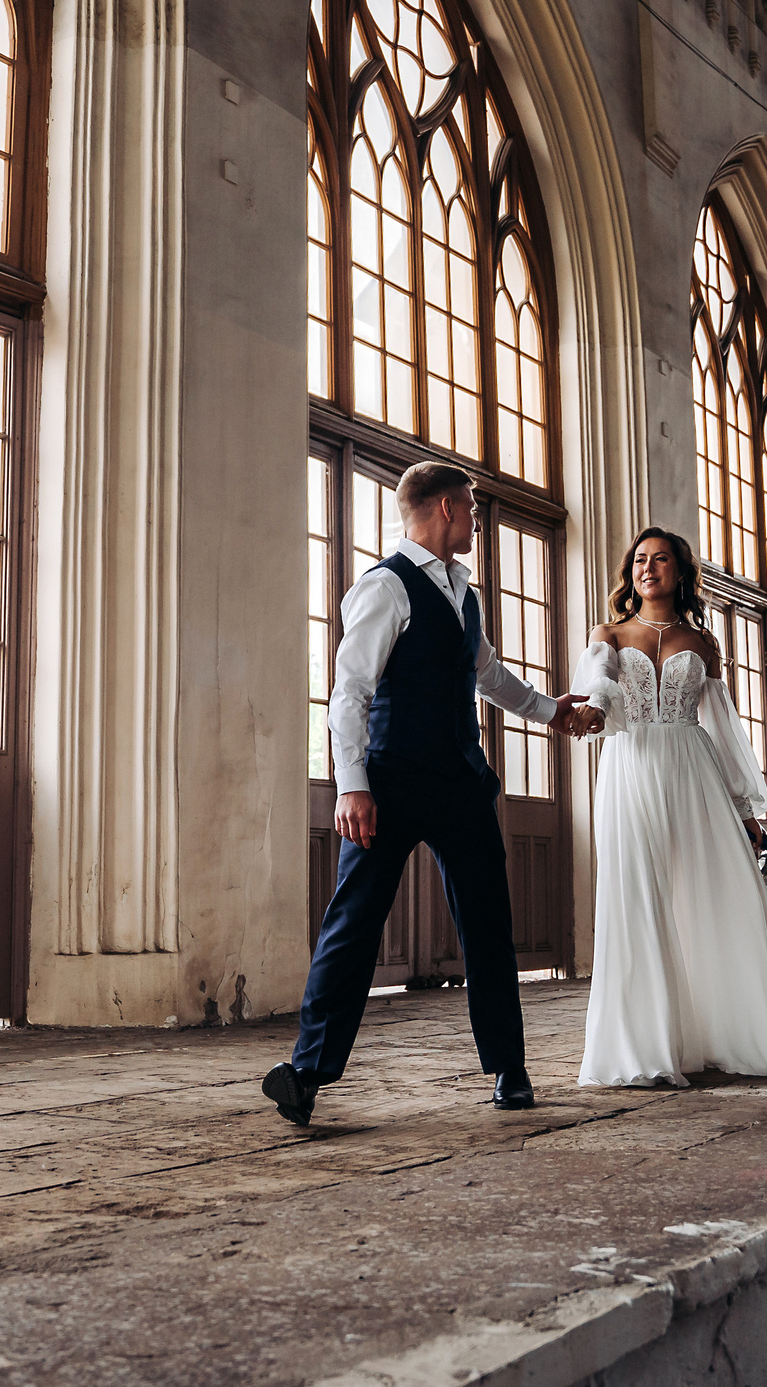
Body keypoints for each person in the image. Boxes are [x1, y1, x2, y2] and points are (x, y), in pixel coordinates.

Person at [263, 461, 602, 1127]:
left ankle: (509, 1068)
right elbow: (350, 693)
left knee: (488, 925)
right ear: (446, 506)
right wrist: (352, 785)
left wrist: (549, 710)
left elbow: (488, 673)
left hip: (462, 783)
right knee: (354, 923)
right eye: (470, 506)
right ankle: (305, 1073)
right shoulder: (384, 587)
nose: (475, 519)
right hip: (388, 783)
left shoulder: (463, 592)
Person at [571, 527, 767, 1087]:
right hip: (630, 768)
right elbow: (596, 682)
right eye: (640, 560)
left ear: (680, 571)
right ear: (630, 572)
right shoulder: (608, 633)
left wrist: (746, 810)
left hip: (693, 772)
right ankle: (646, 1047)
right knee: (636, 895)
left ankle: (734, 1030)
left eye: (660, 559)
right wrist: (595, 708)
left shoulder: (702, 643)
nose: (648, 568)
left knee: (719, 893)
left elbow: (721, 727)